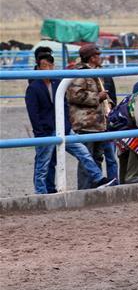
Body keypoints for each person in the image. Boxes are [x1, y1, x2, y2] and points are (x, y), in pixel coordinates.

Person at [26, 53, 116, 193]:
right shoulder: (33, 88)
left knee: (83, 152)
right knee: (43, 164)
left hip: (63, 129)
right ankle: (40, 192)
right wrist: (40, 132)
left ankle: (98, 178)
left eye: (51, 65)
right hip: (46, 131)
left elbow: (65, 105)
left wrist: (67, 125)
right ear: (38, 68)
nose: (48, 69)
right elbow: (33, 113)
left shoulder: (58, 84)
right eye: (45, 66)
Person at [68, 43, 118, 189]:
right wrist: (98, 97)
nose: (100, 57)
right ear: (90, 57)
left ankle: (94, 188)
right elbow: (74, 95)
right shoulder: (80, 73)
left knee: (96, 158)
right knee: (86, 159)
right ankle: (84, 190)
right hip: (85, 123)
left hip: (97, 123)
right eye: (97, 55)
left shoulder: (95, 73)